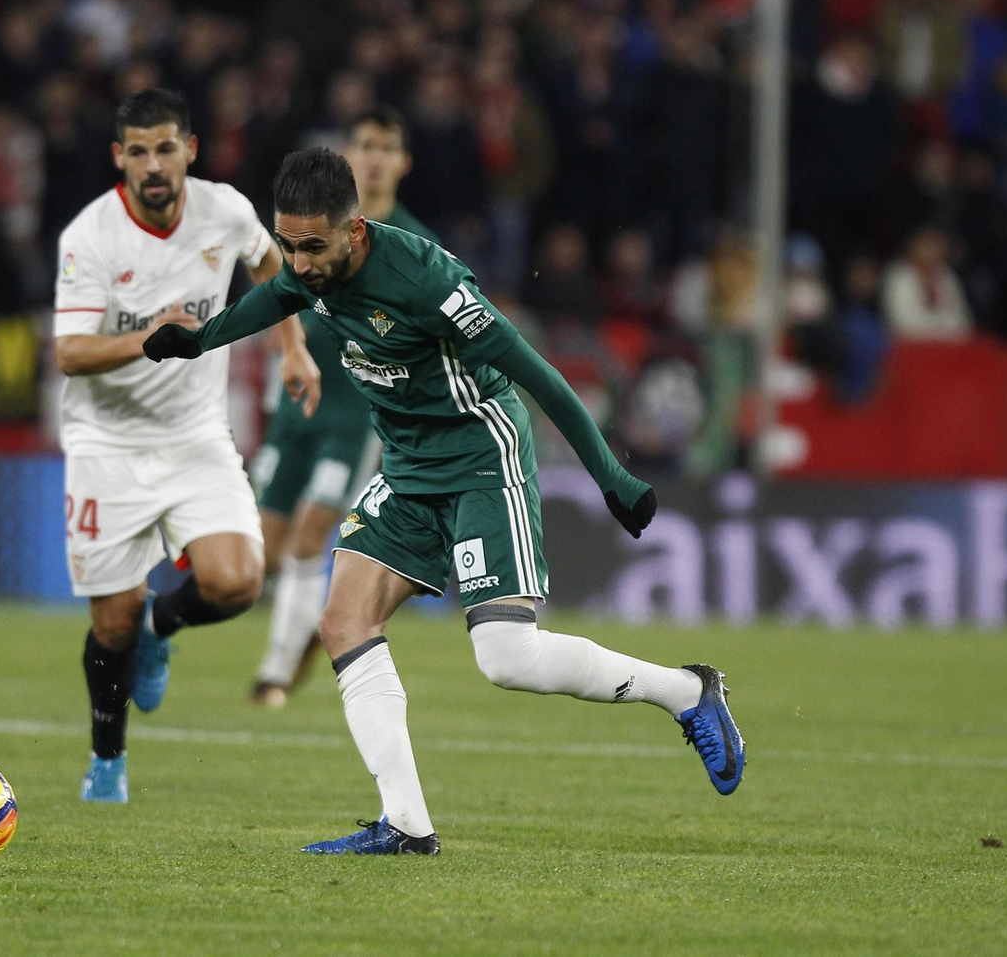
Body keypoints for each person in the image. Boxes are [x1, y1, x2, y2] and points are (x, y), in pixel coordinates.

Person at [145, 148, 744, 854]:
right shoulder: (312, 270)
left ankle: (685, 690)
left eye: (313, 247)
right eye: (288, 245)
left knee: (506, 657)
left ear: (355, 231)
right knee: (343, 620)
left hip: (478, 455)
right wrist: (198, 339)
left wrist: (612, 476)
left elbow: (540, 376)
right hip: (406, 464)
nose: (300, 263)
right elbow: (277, 295)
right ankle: (405, 823)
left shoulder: (427, 280)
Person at [53, 89, 319, 804]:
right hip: (106, 443)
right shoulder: (91, 236)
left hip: (196, 433)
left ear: (190, 151)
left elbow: (275, 267)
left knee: (237, 580)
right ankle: (107, 758)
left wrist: (293, 349)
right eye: (137, 151)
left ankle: (161, 624)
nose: (153, 164)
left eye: (165, 147)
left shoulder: (225, 210)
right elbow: (70, 352)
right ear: (119, 158)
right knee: (109, 620)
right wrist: (149, 337)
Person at [248, 106, 439, 709]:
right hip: (296, 405)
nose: (375, 157)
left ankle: (274, 678)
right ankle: (297, 644)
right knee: (265, 548)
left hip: (356, 417)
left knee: (310, 537)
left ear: (402, 163)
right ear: (350, 155)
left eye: (387, 146)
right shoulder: (316, 223)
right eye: (365, 144)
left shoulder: (414, 246)